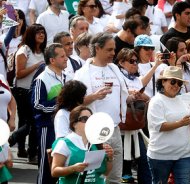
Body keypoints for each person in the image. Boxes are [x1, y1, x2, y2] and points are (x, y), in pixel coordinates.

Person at [74, 32, 128, 184]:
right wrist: (94, 97)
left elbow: (122, 94)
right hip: (94, 132)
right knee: (93, 178)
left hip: (115, 130)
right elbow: (73, 103)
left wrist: (132, 96)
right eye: (109, 50)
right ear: (97, 48)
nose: (113, 53)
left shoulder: (114, 69)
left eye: (114, 49)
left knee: (115, 179)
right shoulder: (82, 73)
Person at [147, 66, 190, 184]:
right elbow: (160, 126)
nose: (176, 86)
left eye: (179, 83)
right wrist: (180, 123)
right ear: (163, 82)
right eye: (173, 81)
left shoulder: (183, 100)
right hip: (161, 155)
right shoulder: (156, 101)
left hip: (184, 153)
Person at [31, 43, 69, 184]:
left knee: (61, 163)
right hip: (47, 128)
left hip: (64, 127)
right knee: (46, 166)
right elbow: (37, 105)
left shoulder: (65, 76)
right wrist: (59, 105)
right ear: (52, 60)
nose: (66, 58)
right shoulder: (42, 79)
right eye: (62, 56)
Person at [9, 24, 47, 163]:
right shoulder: (24, 50)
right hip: (23, 91)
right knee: (29, 122)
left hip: (37, 91)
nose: (41, 35)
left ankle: (27, 151)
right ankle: (12, 141)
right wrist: (37, 66)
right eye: (38, 33)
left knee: (31, 122)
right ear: (31, 34)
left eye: (43, 32)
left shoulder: (44, 51)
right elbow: (19, 74)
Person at [115, 48, 152, 184]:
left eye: (136, 61)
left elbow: (146, 97)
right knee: (119, 163)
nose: (135, 64)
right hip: (120, 126)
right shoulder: (116, 76)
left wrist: (139, 95)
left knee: (143, 158)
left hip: (135, 126)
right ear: (121, 62)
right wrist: (130, 94)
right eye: (131, 61)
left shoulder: (136, 79)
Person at [51, 106, 114, 183]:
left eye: (91, 119)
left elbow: (105, 173)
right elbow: (54, 171)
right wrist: (73, 168)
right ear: (74, 124)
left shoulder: (97, 142)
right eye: (85, 119)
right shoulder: (64, 143)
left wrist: (110, 158)